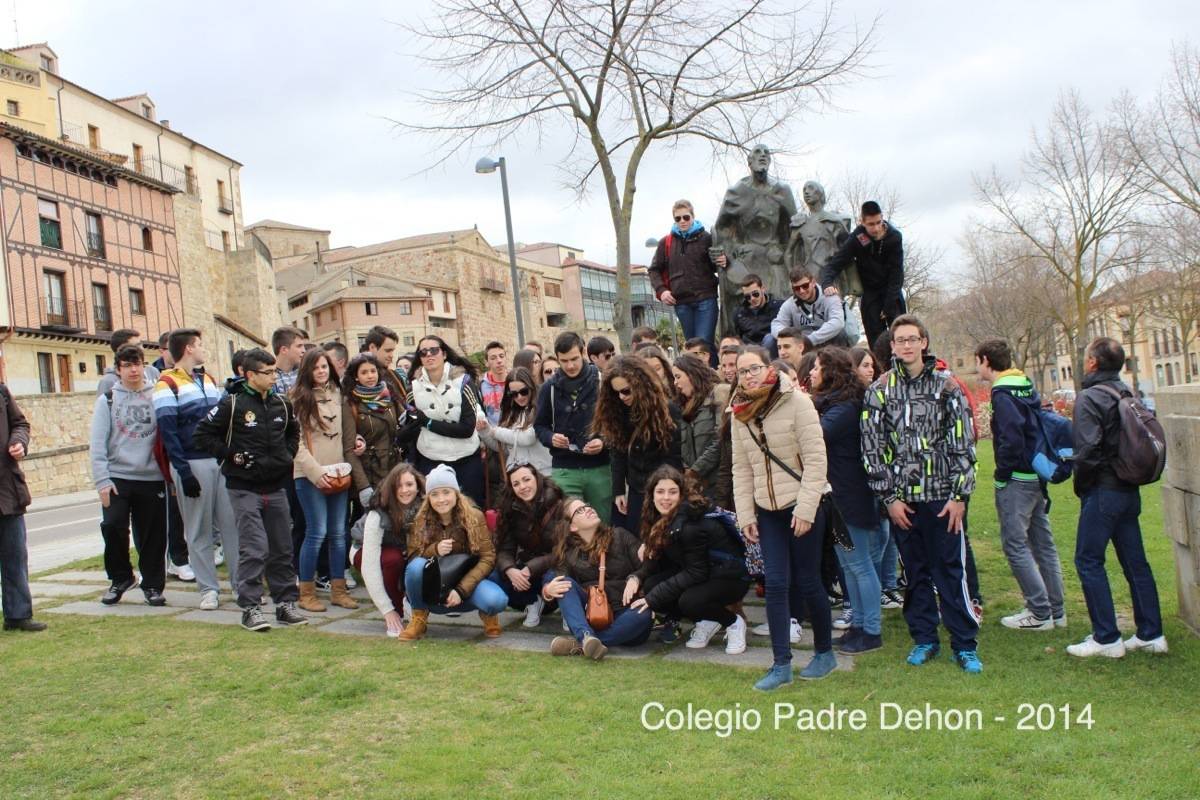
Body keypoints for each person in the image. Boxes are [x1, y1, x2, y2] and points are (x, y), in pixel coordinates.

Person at [861, 315, 980, 673]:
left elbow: (963, 444)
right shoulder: (880, 390)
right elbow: (872, 448)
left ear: (924, 343)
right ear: (893, 346)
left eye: (913, 339)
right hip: (903, 502)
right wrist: (890, 498)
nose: (907, 345)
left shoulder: (947, 387)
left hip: (943, 498)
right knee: (915, 572)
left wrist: (960, 496)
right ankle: (924, 638)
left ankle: (964, 644)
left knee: (950, 571)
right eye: (901, 340)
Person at [730, 346, 833, 689]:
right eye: (742, 371)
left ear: (768, 367)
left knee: (808, 580)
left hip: (801, 503)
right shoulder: (738, 413)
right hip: (767, 509)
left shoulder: (798, 402)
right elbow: (741, 469)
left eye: (754, 368)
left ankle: (824, 652)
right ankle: (781, 664)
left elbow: (817, 461)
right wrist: (746, 514)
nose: (748, 376)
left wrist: (806, 508)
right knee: (774, 583)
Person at [194, 348, 308, 631]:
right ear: (249, 375)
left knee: (282, 547)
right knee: (255, 547)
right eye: (267, 373)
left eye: (274, 372)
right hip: (243, 487)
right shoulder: (231, 404)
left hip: (277, 486)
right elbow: (202, 434)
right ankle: (251, 608)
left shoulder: (282, 403)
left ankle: (284, 604)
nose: (273, 377)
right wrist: (230, 454)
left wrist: (288, 454)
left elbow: (294, 432)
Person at [1066, 337, 1166, 658]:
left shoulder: (1090, 397)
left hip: (1104, 489)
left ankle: (1106, 637)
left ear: (1093, 362)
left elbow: (1086, 450)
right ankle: (1151, 633)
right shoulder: (1127, 393)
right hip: (1128, 489)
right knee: (1136, 562)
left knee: (1088, 559)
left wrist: (1082, 486)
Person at [975, 339, 1066, 631]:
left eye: (978, 361)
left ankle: (1039, 612)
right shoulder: (1024, 383)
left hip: (1018, 479)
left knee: (1015, 545)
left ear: (986, 360)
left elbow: (1011, 438)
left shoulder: (1003, 394)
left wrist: (1002, 474)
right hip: (1036, 476)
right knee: (1043, 544)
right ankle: (1056, 610)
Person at [809, 347, 886, 654]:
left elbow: (816, 436)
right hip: (840, 497)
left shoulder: (845, 407)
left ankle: (872, 630)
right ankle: (859, 626)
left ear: (831, 371)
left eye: (816, 367)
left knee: (860, 565)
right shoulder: (834, 403)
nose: (812, 373)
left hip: (850, 497)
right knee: (849, 563)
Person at [154, 328, 237, 610]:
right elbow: (168, 432)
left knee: (231, 526)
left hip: (218, 462)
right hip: (191, 461)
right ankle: (208, 589)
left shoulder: (209, 379)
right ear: (188, 349)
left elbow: (223, 420)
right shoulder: (166, 384)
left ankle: (242, 586)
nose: (203, 349)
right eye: (199, 344)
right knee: (198, 529)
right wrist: (183, 471)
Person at [629, 466, 750, 653]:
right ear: (651, 495)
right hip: (703, 571)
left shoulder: (691, 523)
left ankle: (733, 622)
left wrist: (652, 598)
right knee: (652, 584)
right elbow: (657, 561)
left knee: (689, 601)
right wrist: (637, 576)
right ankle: (707, 620)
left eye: (672, 492)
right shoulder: (657, 518)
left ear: (682, 493)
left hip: (730, 577)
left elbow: (695, 572)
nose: (666, 498)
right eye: (660, 492)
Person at [90, 345, 167, 606]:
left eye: (137, 364)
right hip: (118, 476)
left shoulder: (158, 394)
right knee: (112, 527)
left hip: (152, 477)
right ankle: (121, 578)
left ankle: (153, 585)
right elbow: (97, 443)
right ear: (118, 369)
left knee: (152, 535)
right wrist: (102, 480)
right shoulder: (108, 400)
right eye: (126, 365)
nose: (133, 370)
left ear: (144, 366)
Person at [400, 464, 506, 640]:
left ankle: (488, 614)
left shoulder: (474, 517)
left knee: (496, 601)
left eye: (446, 492)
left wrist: (461, 590)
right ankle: (419, 616)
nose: (441, 499)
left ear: (456, 494)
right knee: (415, 567)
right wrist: (435, 550)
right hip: (435, 586)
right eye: (434, 494)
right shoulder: (420, 520)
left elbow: (488, 557)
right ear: (428, 498)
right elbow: (412, 558)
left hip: (468, 584)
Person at [542, 497, 652, 658]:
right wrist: (547, 590)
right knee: (564, 584)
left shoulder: (620, 535)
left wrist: (635, 577)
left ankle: (582, 643)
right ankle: (586, 637)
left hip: (627, 613)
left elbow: (647, 566)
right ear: (572, 526)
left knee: (644, 614)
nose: (588, 508)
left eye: (587, 505)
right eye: (579, 510)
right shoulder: (569, 554)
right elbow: (555, 578)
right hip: (594, 615)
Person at [291, 348, 358, 613]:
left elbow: (343, 435)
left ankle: (338, 589)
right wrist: (317, 473)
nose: (321, 371)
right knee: (315, 533)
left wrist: (356, 447)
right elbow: (294, 443)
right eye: (316, 367)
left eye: (324, 366)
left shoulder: (338, 396)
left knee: (339, 534)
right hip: (310, 476)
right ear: (307, 370)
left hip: (338, 473)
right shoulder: (297, 398)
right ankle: (306, 593)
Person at [592, 355, 682, 537]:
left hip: (661, 489)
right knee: (636, 541)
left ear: (640, 386)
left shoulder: (666, 410)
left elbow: (674, 457)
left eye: (626, 391)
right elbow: (618, 453)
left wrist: (668, 493)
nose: (621, 397)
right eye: (615, 392)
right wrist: (618, 490)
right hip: (635, 489)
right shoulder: (618, 410)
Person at [713, 144, 798, 336]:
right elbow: (722, 229)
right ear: (749, 162)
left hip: (774, 259)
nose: (762, 156)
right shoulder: (737, 191)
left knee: (781, 309)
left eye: (766, 153)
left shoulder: (782, 190)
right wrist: (729, 256)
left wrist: (785, 249)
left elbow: (794, 228)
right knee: (745, 306)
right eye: (757, 153)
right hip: (747, 260)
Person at [534, 332, 612, 522]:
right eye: (564, 361)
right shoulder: (548, 388)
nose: (570, 366)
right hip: (564, 468)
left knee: (603, 524)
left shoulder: (603, 381)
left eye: (574, 359)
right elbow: (540, 426)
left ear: (583, 352)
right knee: (568, 527)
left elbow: (616, 424)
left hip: (600, 467)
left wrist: (602, 442)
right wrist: (551, 438)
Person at [407, 336, 487, 508]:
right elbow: (411, 425)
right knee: (436, 513)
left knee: (473, 510)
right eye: (423, 352)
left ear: (443, 353)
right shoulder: (413, 387)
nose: (429, 355)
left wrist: (428, 423)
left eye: (434, 350)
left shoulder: (463, 382)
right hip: (431, 458)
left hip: (466, 458)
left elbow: (466, 429)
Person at [851, 346, 901, 607]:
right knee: (873, 541)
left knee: (887, 536)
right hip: (862, 481)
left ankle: (887, 585)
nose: (870, 370)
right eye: (865, 365)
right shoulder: (853, 401)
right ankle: (869, 595)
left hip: (885, 475)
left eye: (872, 365)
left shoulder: (881, 394)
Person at [351, 463, 424, 637]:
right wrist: (387, 609)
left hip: (403, 551)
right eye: (399, 485)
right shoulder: (379, 511)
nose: (405, 490)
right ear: (391, 488)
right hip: (365, 551)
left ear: (418, 486)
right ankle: (396, 612)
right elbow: (369, 566)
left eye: (409, 484)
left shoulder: (425, 505)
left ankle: (412, 605)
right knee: (393, 560)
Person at [821, 200, 905, 348]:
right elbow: (835, 264)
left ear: (882, 217)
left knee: (901, 336)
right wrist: (827, 283)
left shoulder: (894, 237)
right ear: (862, 222)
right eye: (871, 224)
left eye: (879, 222)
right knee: (877, 343)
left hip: (891, 292)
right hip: (870, 294)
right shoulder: (857, 238)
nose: (876, 228)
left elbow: (897, 274)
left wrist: (889, 304)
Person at [649, 199, 722, 361]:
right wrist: (662, 291)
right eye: (678, 218)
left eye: (686, 217)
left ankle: (714, 379)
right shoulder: (666, 243)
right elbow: (654, 270)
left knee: (703, 344)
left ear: (693, 216)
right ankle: (699, 381)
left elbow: (717, 266)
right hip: (682, 303)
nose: (682, 221)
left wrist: (724, 260)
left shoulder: (707, 238)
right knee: (692, 347)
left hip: (706, 299)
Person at [493, 463, 565, 626]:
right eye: (516, 484)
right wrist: (510, 569)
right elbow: (505, 548)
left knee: (556, 573)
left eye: (526, 480)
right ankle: (532, 602)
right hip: (529, 570)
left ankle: (568, 609)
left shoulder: (558, 503)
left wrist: (531, 567)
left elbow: (566, 550)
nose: (523, 487)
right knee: (495, 576)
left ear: (537, 479)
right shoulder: (510, 508)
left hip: (557, 565)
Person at [0, 383, 44, 632]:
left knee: (15, 556)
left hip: (7, 490)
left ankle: (18, 615)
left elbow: (20, 424)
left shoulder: (1, 392)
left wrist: (19, 443)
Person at [343, 354, 401, 510]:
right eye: (364, 372)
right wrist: (363, 486)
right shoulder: (351, 403)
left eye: (373, 371)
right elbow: (349, 449)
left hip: (393, 467)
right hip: (370, 472)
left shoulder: (389, 395)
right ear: (356, 377)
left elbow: (403, 423)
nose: (370, 376)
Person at [671, 354, 726, 499]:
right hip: (698, 486)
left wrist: (695, 471)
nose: (675, 383)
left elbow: (720, 439)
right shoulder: (685, 404)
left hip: (720, 483)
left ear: (691, 374)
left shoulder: (719, 392)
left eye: (678, 376)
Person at [480, 367, 551, 476]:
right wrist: (485, 431)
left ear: (531, 387)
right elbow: (504, 448)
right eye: (514, 394)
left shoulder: (541, 408)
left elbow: (528, 438)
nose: (519, 397)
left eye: (524, 391)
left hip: (542, 473)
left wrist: (496, 432)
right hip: (517, 475)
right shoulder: (510, 413)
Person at [770, 267, 846, 348]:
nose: (801, 291)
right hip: (801, 345)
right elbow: (777, 324)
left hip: (826, 339)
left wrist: (811, 339)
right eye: (796, 288)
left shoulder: (829, 296)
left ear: (813, 282)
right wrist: (790, 338)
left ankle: (840, 359)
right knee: (770, 340)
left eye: (805, 286)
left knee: (840, 333)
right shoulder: (790, 304)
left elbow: (838, 322)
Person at [97, 328, 159, 394]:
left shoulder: (152, 371)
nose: (142, 349)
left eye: (141, 344)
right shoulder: (108, 381)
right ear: (121, 349)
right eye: (137, 346)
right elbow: (105, 403)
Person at [734, 274, 784, 350]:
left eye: (755, 294)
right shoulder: (739, 313)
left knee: (770, 339)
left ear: (762, 289)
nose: (752, 298)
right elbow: (738, 336)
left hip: (772, 347)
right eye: (748, 297)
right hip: (749, 349)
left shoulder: (778, 307)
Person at [271, 326, 308, 396]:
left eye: (303, 346)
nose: (304, 350)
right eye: (299, 346)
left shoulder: (305, 374)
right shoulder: (269, 377)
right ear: (284, 350)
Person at [480, 340, 508, 425]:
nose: (499, 360)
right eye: (493, 358)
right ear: (486, 363)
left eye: (501, 356)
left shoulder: (515, 381)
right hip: (492, 435)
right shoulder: (481, 386)